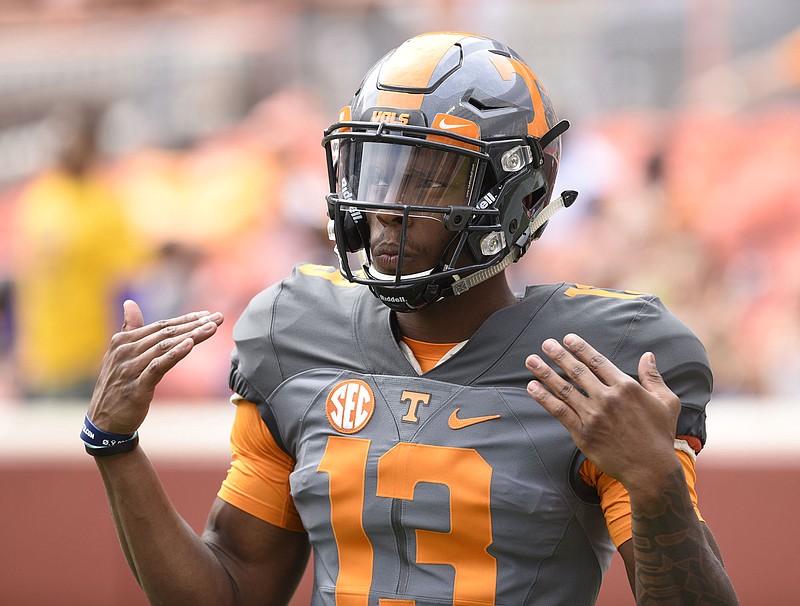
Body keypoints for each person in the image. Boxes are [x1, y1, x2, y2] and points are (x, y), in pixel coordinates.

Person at [82, 32, 738, 605]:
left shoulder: (602, 360)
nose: (388, 208)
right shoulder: (296, 334)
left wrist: (658, 488)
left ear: (519, 193)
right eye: (379, 169)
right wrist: (116, 446)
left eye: (429, 180)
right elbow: (230, 588)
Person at [12, 103, 146, 400]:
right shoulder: (39, 195)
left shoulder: (103, 203)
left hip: (83, 357)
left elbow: (137, 266)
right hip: (37, 356)